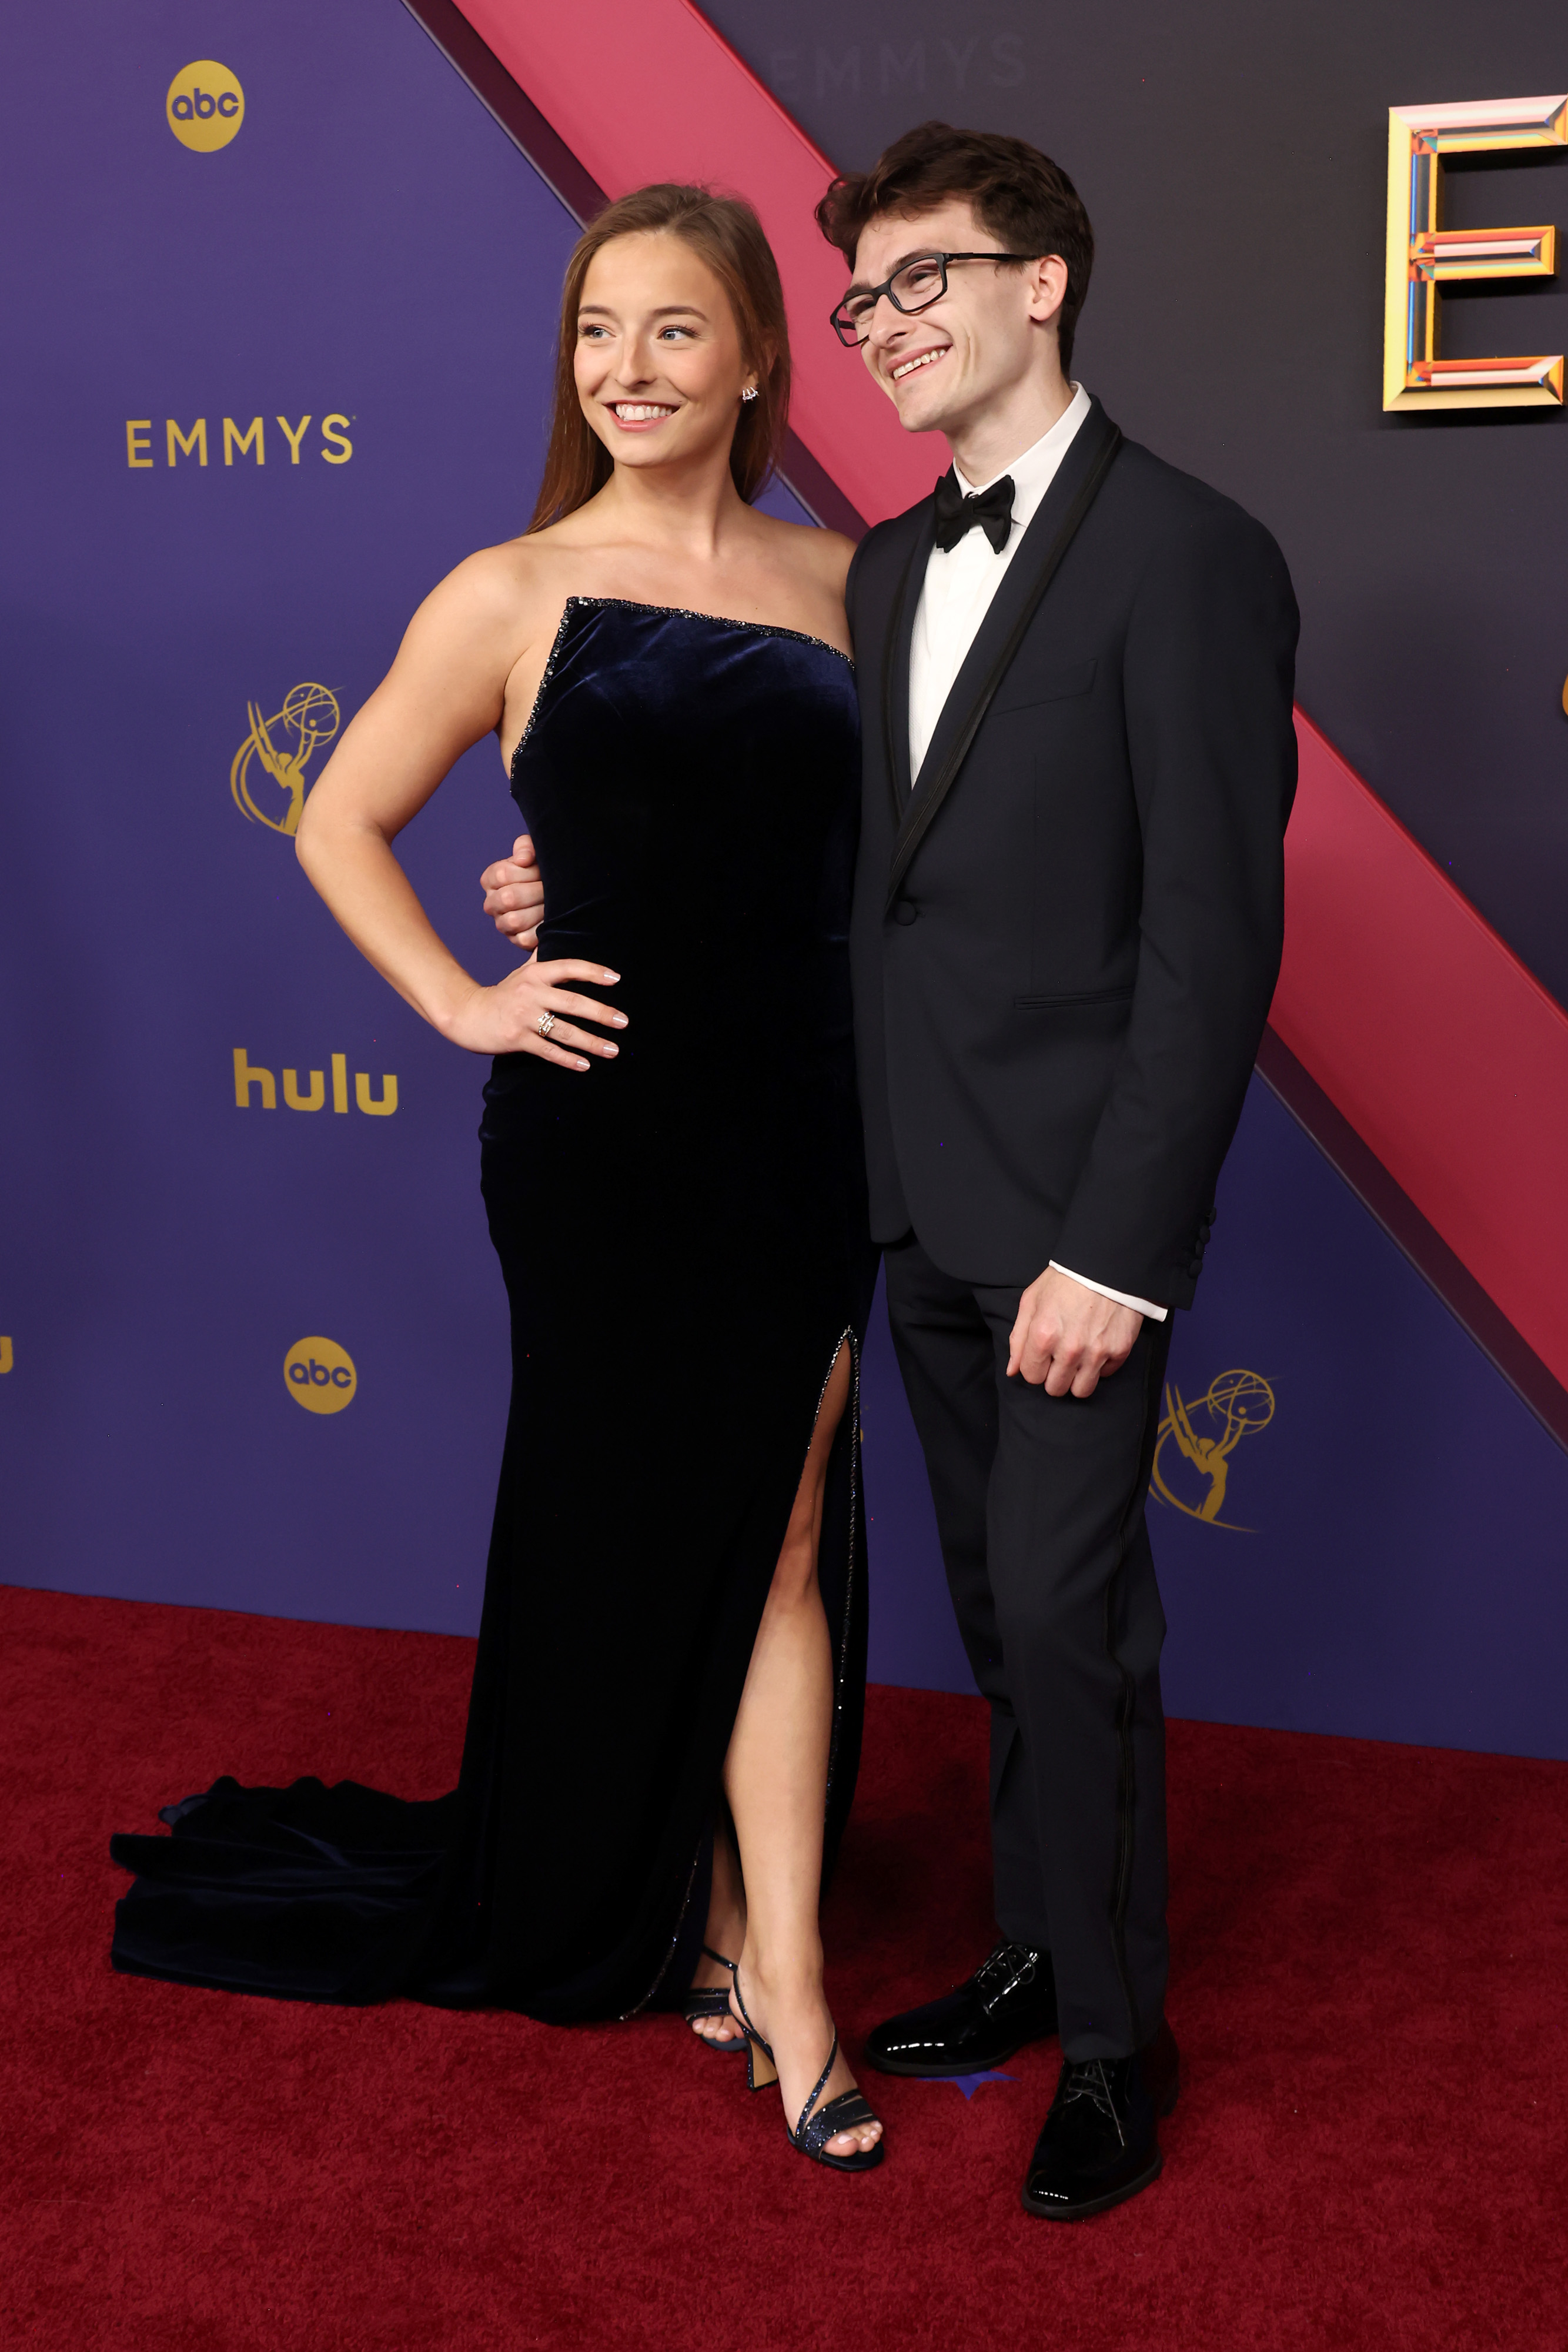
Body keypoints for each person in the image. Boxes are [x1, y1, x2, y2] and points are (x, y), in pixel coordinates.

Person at [483, 123, 1298, 2219]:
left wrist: (1122, 1254)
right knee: (999, 1626)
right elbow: (828, 869)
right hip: (899, 1193)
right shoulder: (880, 565)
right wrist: (571, 875)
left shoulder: (1189, 554)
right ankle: (1032, 1952)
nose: (887, 324)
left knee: (1070, 1609)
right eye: (863, 297)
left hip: (1073, 1224)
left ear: (1045, 286)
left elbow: (1214, 946)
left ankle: (1120, 2042)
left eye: (925, 279)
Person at [111, 183, 885, 2172]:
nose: (626, 371)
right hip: (602, 1133)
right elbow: (337, 815)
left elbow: (894, 867)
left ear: (753, 358)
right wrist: (465, 997)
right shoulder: (509, 587)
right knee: (640, 1520)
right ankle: (698, 1923)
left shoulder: (850, 584)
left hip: (803, 1120)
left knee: (787, 1538)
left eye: (674, 331)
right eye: (594, 333)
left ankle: (767, 1958)